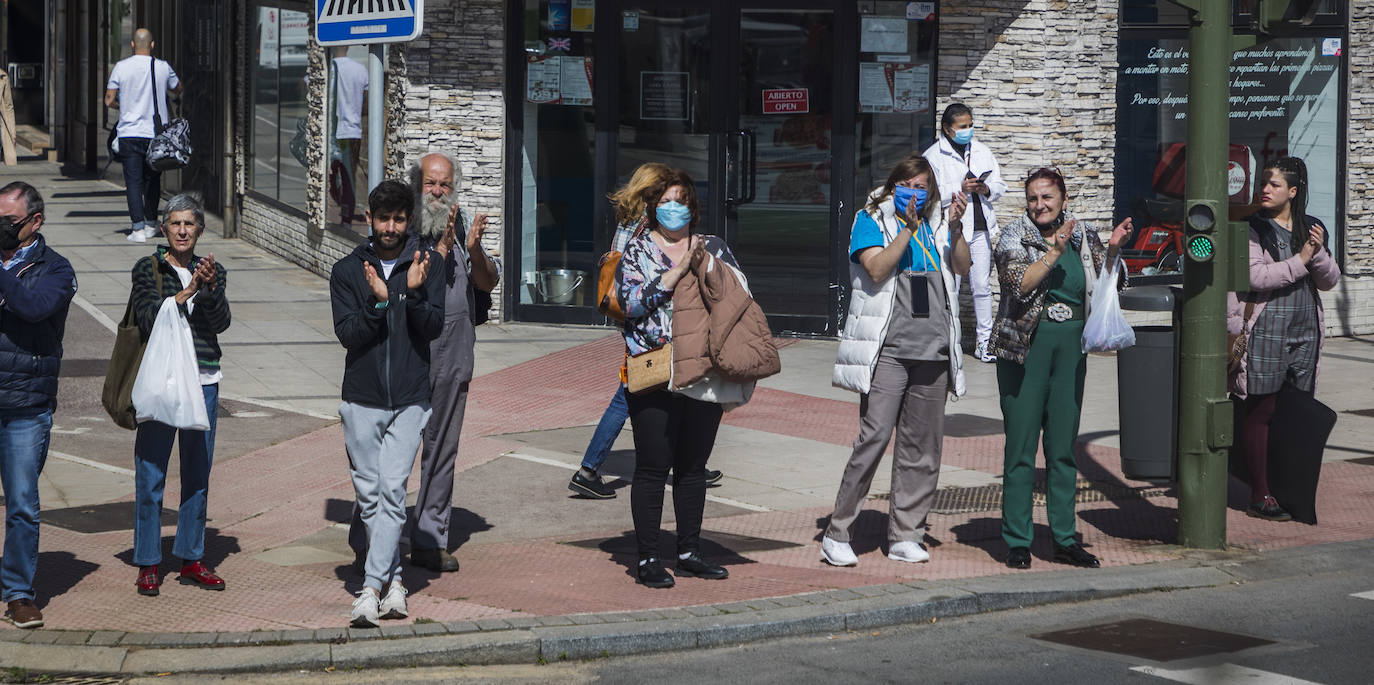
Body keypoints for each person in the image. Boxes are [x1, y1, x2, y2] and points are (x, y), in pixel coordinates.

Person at [345, 152, 499, 574]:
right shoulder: (400, 225)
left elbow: (488, 281)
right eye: (430, 184)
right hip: (405, 350)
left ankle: (430, 539)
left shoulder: (463, 223)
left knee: (442, 449)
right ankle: (369, 540)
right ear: (418, 186)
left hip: (451, 351)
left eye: (445, 185)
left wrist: (472, 249)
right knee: (380, 451)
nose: (437, 192)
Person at [824, 155, 971, 567]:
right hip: (888, 350)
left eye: (923, 186)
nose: (915, 192)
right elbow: (875, 269)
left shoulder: (940, 220)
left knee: (923, 448)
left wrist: (956, 229)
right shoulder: (871, 219)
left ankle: (907, 533)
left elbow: (962, 265)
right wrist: (907, 227)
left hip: (934, 349)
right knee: (873, 439)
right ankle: (838, 531)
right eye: (907, 184)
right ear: (893, 186)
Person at [988, 167, 1130, 570]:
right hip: (1024, 352)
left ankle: (1064, 539)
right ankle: (1017, 540)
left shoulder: (1084, 234)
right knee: (1020, 449)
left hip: (1071, 351)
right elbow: (1019, 284)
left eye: (1047, 197)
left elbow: (1109, 286)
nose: (1040, 205)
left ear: (1064, 199)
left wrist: (1115, 249)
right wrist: (1053, 251)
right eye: (1033, 198)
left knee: (1063, 449)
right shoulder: (1015, 235)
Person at [568, 163, 721, 500]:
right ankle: (589, 468)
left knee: (637, 388)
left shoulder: (629, 218)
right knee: (630, 391)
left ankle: (688, 460)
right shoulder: (645, 225)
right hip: (646, 323)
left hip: (635, 318)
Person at [330, 179, 444, 627]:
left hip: (411, 398)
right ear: (370, 219)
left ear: (409, 219)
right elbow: (349, 335)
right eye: (384, 219)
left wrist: (409, 292)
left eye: (399, 218)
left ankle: (370, 590)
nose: (391, 227)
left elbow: (432, 327)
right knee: (371, 499)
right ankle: (395, 579)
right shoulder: (346, 271)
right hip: (362, 399)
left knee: (393, 493)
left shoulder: (426, 264)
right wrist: (380, 303)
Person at [617, 169, 735, 588]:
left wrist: (705, 267)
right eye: (666, 200)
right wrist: (679, 269)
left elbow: (736, 299)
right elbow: (630, 304)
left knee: (692, 467)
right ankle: (648, 557)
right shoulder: (637, 251)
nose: (673, 208)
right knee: (652, 466)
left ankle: (689, 552)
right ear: (653, 206)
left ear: (693, 207)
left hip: (703, 370)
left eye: (681, 200)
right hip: (654, 371)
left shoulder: (715, 247)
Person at [129, 193, 231, 597]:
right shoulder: (148, 268)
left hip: (203, 381)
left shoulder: (213, 269)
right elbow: (147, 317)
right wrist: (186, 292)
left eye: (190, 224)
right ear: (164, 228)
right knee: (150, 474)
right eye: (176, 223)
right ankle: (149, 562)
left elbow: (220, 324)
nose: (183, 230)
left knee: (197, 475)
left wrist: (208, 290)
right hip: (162, 383)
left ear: (200, 230)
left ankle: (191, 558)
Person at [1228, 156, 1340, 521]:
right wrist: (1302, 259)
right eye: (1263, 182)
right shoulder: (1251, 229)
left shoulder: (1312, 227)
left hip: (1305, 327)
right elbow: (1256, 278)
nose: (1264, 189)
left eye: (1273, 184)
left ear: (1293, 191)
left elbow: (1329, 280)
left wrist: (1317, 254)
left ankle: (1289, 487)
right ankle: (1260, 492)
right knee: (1261, 408)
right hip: (1266, 327)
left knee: (1295, 410)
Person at [0, 182, 76, 628]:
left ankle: (18, 593)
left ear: (34, 222)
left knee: (22, 503)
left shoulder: (56, 269)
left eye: (7, 222)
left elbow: (33, 306)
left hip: (26, 404)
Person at [923, 103, 1007, 363]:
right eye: (963, 127)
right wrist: (958, 188)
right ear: (948, 130)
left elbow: (1000, 185)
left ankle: (985, 343)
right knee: (952, 286)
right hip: (952, 227)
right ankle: (950, 342)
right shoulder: (933, 156)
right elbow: (930, 194)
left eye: (970, 125)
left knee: (982, 286)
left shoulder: (981, 150)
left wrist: (985, 189)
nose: (968, 130)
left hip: (980, 226)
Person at [105, 28, 182, 243]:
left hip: (129, 133)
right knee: (153, 179)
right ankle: (150, 223)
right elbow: (177, 89)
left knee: (133, 182)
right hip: (154, 134)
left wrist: (124, 105)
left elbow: (109, 100)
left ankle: (137, 229)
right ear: (152, 45)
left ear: (132, 45)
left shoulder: (121, 67)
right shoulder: (162, 67)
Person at [331, 47, 368, 226]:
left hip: (331, 131)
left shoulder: (328, 67)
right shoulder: (360, 69)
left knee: (330, 171)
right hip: (352, 130)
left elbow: (305, 84)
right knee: (349, 175)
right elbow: (366, 99)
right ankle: (346, 217)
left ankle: (337, 197)